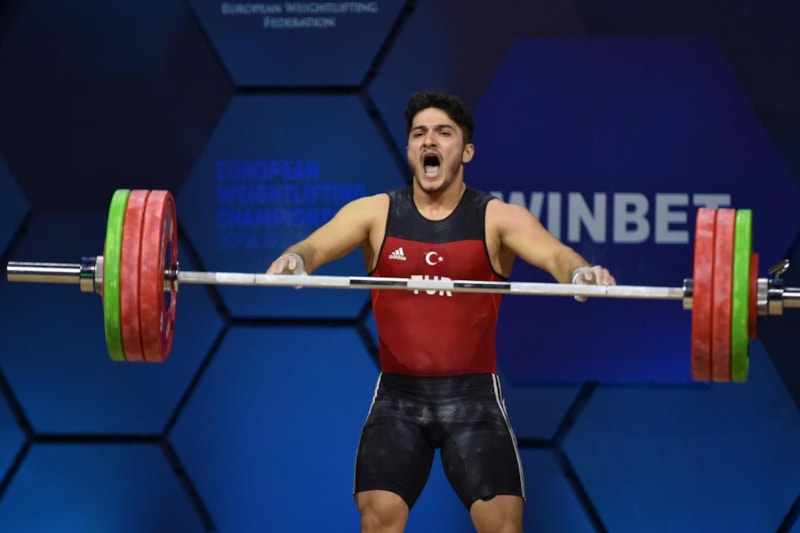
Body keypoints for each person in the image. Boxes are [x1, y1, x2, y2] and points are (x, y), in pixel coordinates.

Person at [266, 90, 615, 533]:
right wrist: (296, 259)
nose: (429, 140)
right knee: (378, 520)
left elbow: (556, 255)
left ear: (466, 151)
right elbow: (314, 246)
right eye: (419, 134)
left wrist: (580, 273)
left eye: (443, 133)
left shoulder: (497, 218)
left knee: (504, 527)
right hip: (398, 396)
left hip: (474, 399)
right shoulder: (374, 213)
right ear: (410, 149)